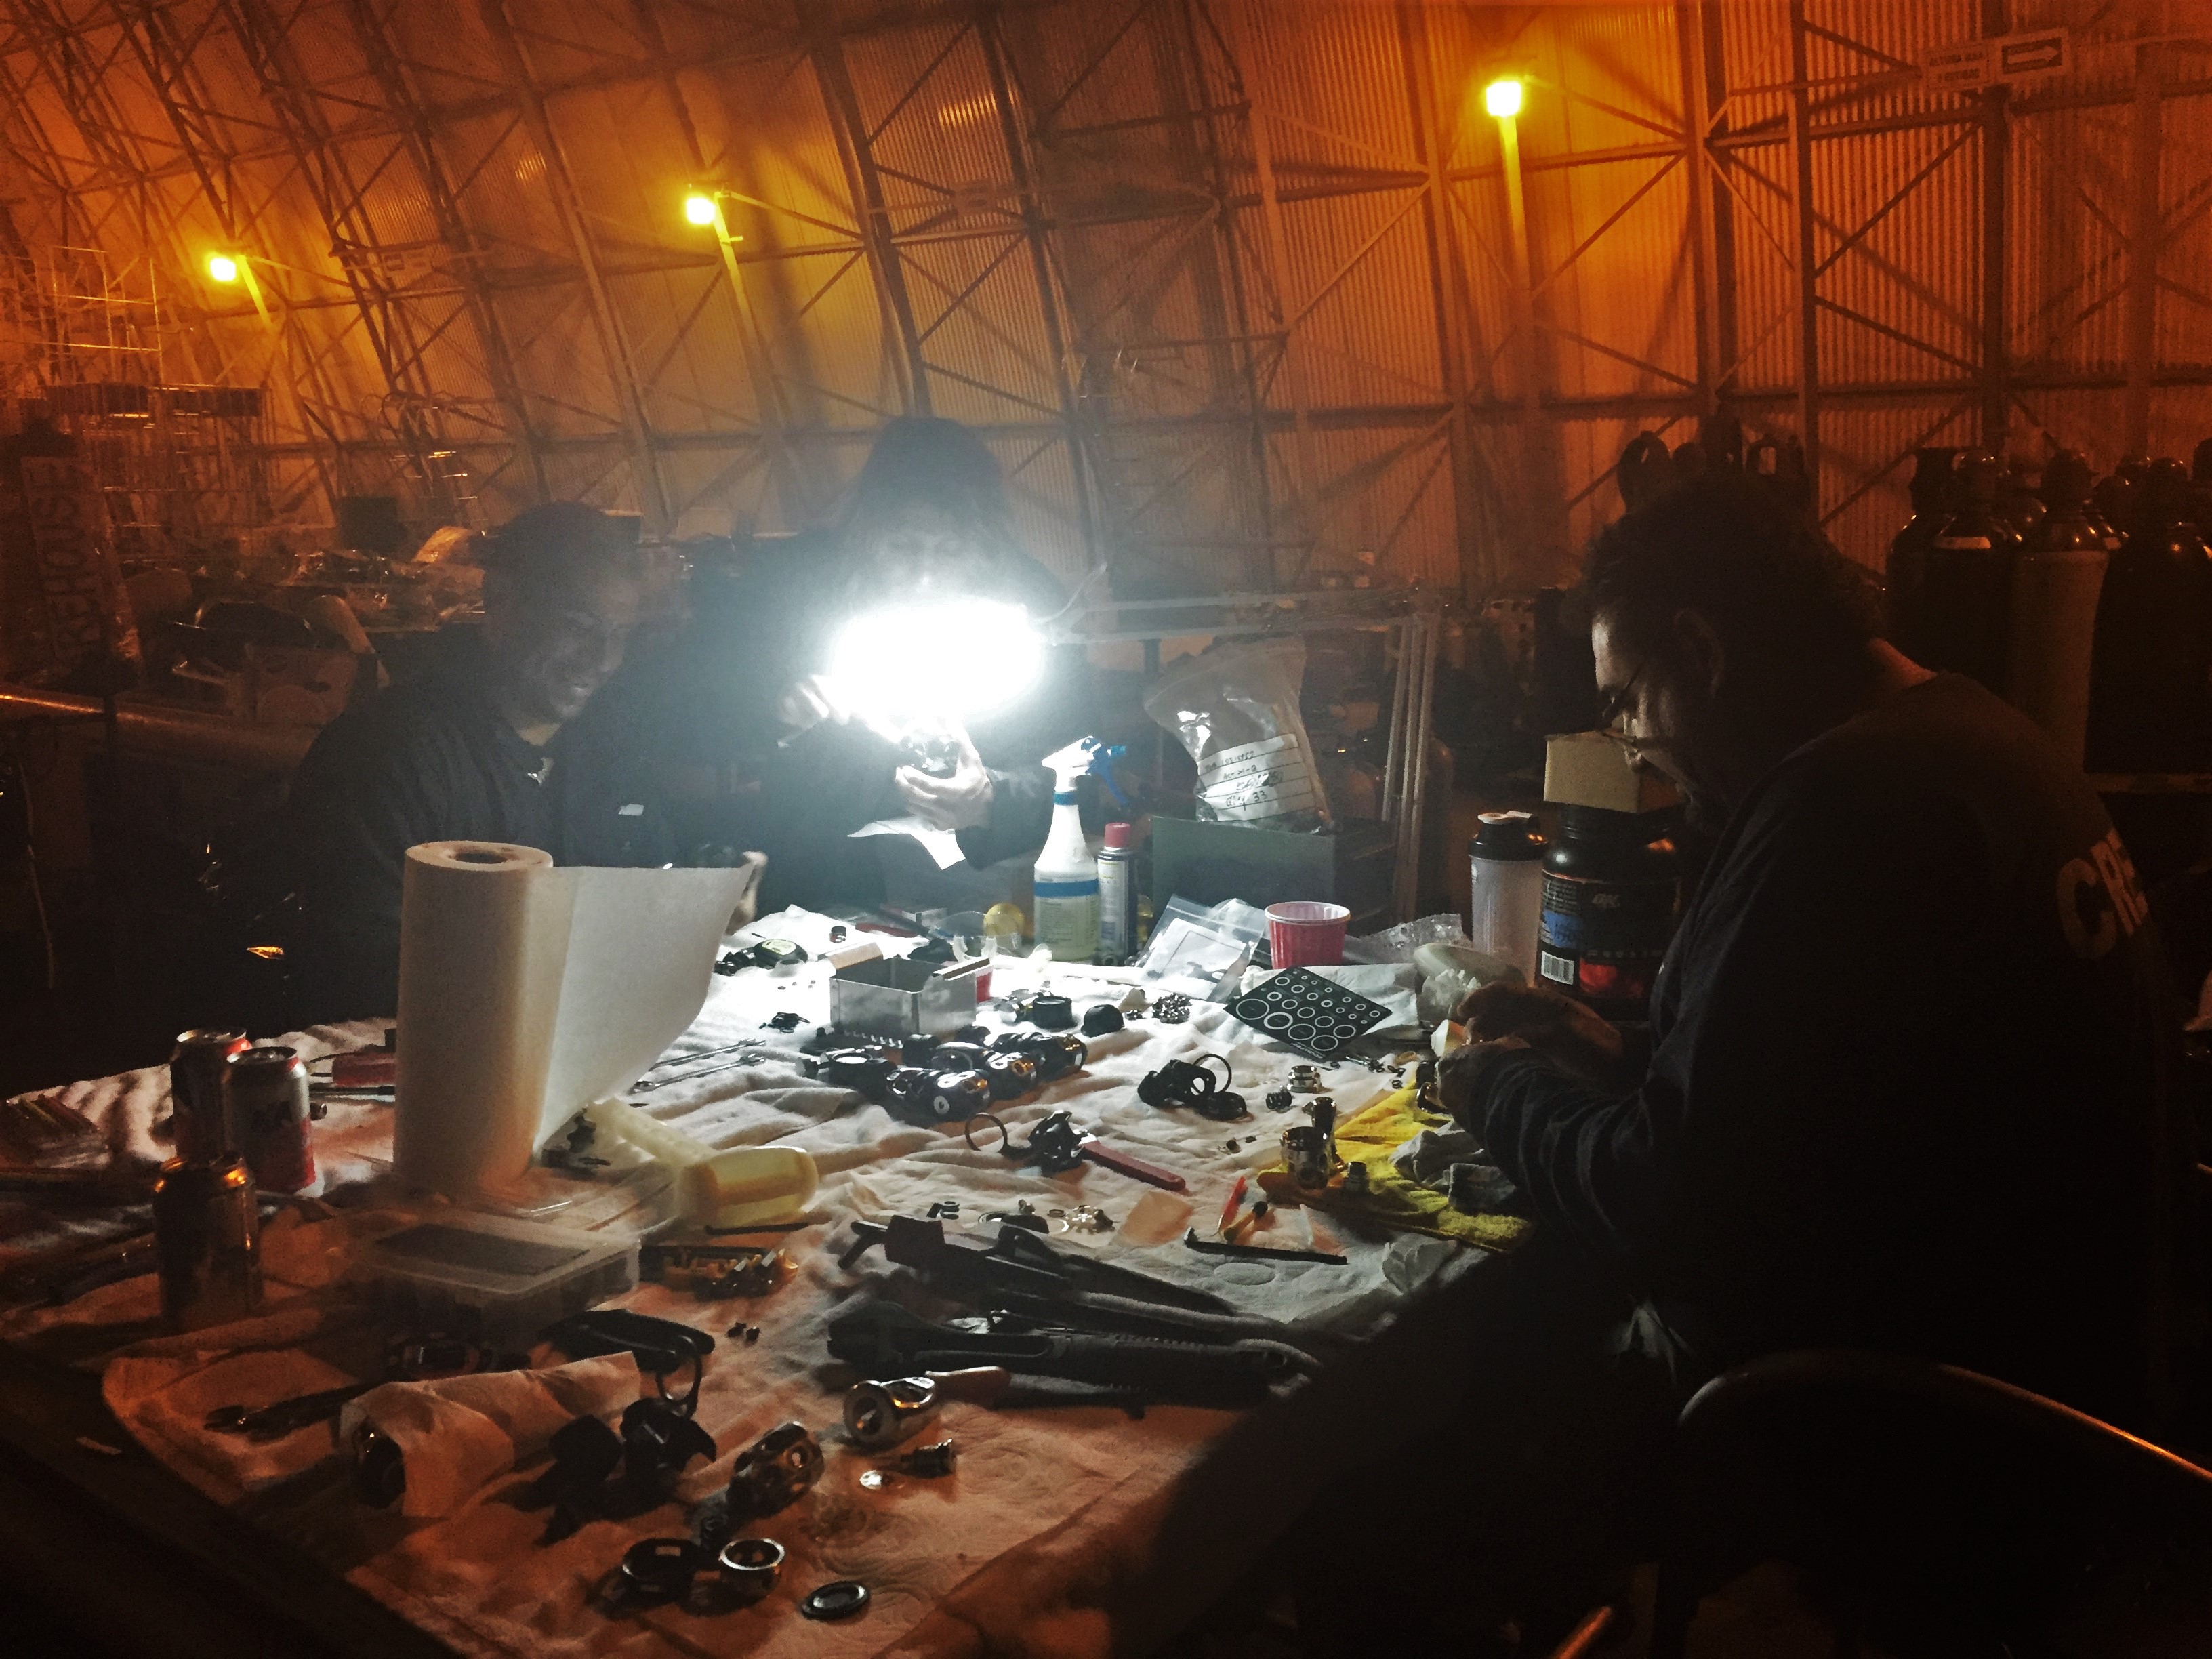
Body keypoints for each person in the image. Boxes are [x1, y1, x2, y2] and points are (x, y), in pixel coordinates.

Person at [1288, 472, 2186, 1656]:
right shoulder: (1975, 741)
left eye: (1626, 704)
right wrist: (1613, 1048)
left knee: (1358, 1504)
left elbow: (1672, 1205)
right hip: (2057, 1399)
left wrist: (1496, 1086)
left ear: (1700, 652)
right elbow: (1836, 1078)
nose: (1635, 748)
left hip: (1894, 1432)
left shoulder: (1848, 807)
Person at [281, 503, 732, 1022]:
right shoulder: (388, 756)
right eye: (577, 627)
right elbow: (357, 966)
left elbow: (648, 893)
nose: (602, 660)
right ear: (502, 607)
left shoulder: (610, 751)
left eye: (619, 635)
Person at [651, 417, 1087, 913]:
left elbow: (1082, 760)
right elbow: (691, 720)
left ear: (985, 548)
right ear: (866, 534)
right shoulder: (803, 589)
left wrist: (993, 800)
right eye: (903, 547)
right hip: (823, 882)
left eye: (949, 550)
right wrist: (777, 707)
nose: (924, 576)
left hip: (985, 898)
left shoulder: (1029, 606)